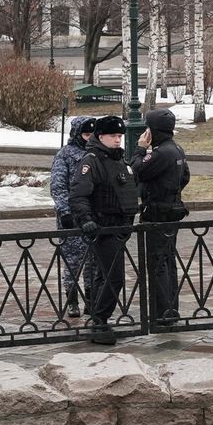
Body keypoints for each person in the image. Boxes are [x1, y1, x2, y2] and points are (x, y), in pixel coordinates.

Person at [70, 115, 139, 345]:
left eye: (120, 136)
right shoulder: (91, 161)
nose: (118, 140)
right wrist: (86, 220)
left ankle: (98, 320)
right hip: (103, 228)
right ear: (101, 137)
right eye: (113, 136)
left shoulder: (119, 160)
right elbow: (79, 195)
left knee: (104, 276)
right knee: (114, 277)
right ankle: (100, 320)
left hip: (119, 228)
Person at [131, 108, 190, 323]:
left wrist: (139, 150)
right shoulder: (176, 149)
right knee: (168, 262)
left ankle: (162, 312)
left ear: (153, 129)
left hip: (157, 213)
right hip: (171, 210)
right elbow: (185, 177)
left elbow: (137, 170)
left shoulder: (161, 152)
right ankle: (170, 309)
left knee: (158, 264)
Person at [49, 115, 96, 318]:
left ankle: (92, 299)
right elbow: (58, 186)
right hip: (71, 217)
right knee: (72, 262)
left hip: (93, 216)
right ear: (77, 134)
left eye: (92, 134)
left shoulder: (97, 154)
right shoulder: (65, 155)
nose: (89, 138)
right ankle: (72, 301)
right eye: (86, 134)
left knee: (93, 262)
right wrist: (64, 211)